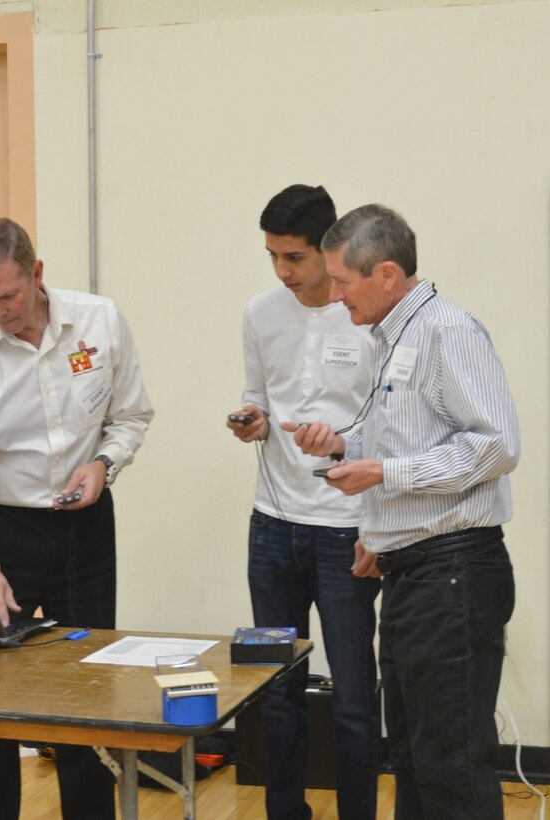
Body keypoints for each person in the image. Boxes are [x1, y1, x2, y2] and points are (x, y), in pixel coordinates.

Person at [289, 203, 519, 819]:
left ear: (386, 274)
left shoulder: (448, 331)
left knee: (451, 765)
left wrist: (383, 475)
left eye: (342, 280)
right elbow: (405, 443)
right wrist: (347, 452)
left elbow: (495, 446)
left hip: (454, 575)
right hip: (411, 571)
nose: (333, 295)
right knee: (414, 759)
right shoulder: (394, 337)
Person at [0, 217, 154, 820]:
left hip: (85, 527)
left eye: (8, 296)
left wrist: (104, 463)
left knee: (86, 690)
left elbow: (131, 416)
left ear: (37, 273)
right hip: (4, 533)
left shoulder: (100, 321)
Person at [227, 184, 381, 820]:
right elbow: (258, 394)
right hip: (272, 526)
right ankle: (284, 812)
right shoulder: (261, 312)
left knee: (351, 695)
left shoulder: (369, 316)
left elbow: (393, 425)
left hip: (345, 529)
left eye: (294, 257)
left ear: (328, 249)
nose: (282, 272)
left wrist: (346, 443)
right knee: (274, 685)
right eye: (272, 257)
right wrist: (253, 421)